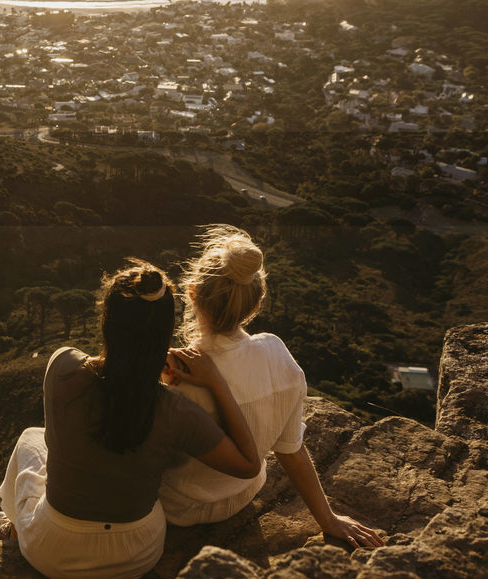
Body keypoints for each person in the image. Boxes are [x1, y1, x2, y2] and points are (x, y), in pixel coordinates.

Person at [0, 260, 264, 579]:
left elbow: (94, 388)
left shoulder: (62, 368)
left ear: (107, 321)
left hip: (52, 552)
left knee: (31, 439)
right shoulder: (176, 411)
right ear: (164, 333)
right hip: (136, 556)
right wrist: (216, 382)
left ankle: (12, 527)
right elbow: (249, 465)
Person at [157, 225, 384, 549]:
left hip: (177, 509)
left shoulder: (176, 375)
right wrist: (328, 520)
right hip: (241, 496)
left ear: (191, 293)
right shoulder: (278, 356)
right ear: (255, 304)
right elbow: (291, 449)